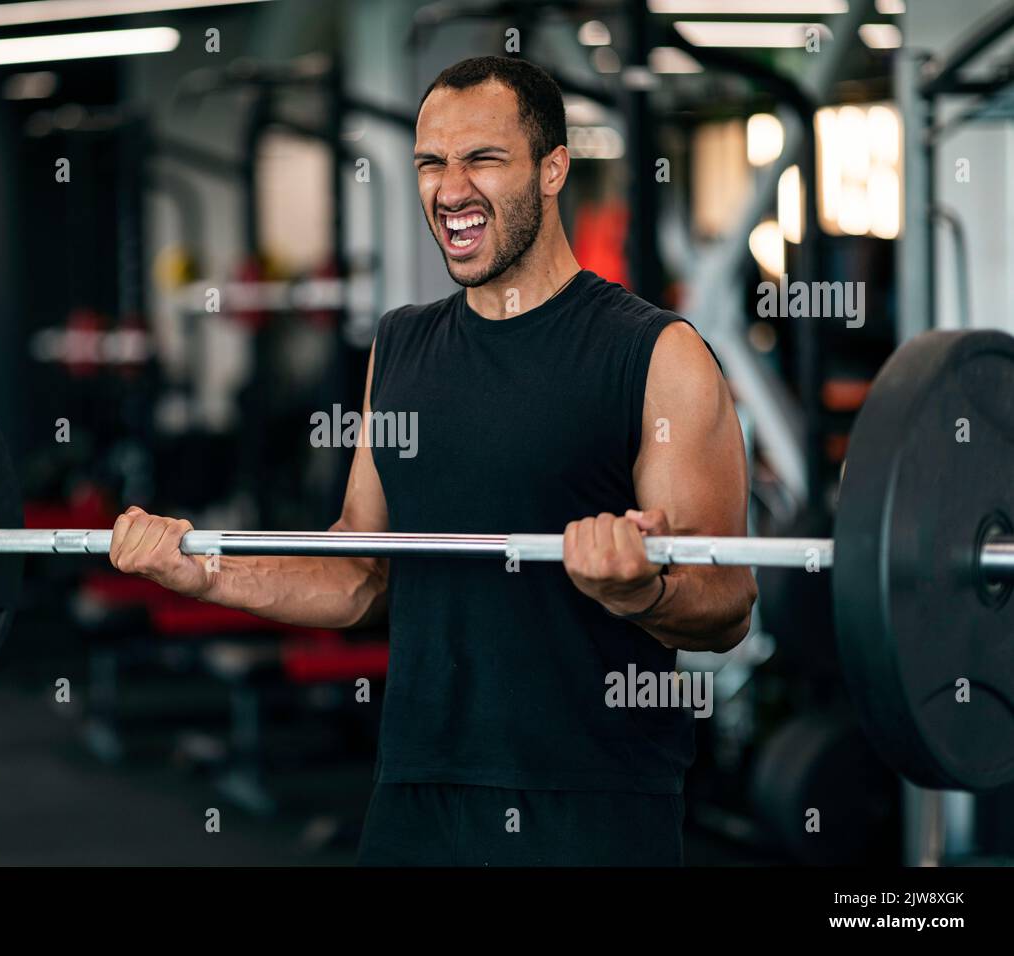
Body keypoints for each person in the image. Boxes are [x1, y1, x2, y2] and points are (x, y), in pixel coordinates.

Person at [109, 55, 756, 866]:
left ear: (553, 169)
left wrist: (643, 588)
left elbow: (728, 605)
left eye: (482, 158)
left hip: (588, 801)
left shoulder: (656, 354)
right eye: (430, 163)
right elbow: (360, 571)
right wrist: (202, 569)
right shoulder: (402, 345)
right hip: (415, 793)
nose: (450, 190)